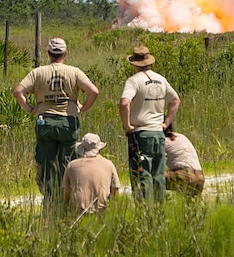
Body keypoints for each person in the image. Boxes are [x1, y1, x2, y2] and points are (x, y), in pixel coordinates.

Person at [13, 36, 100, 210]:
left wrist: (30, 109)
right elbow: (93, 91)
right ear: (65, 53)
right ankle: (67, 201)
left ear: (49, 53)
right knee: (67, 162)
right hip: (68, 121)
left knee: (46, 163)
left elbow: (18, 91)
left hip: (45, 120)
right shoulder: (74, 72)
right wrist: (82, 109)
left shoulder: (38, 72)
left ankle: (50, 200)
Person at [118, 45, 179, 202]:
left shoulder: (134, 81)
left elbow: (124, 103)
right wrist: (166, 123)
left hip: (140, 134)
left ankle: (144, 212)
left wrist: (127, 126)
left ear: (134, 63)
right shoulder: (161, 79)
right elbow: (175, 100)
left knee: (141, 175)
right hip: (158, 133)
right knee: (158, 175)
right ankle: (159, 211)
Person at [60, 132, 121, 218]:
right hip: (102, 211)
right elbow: (115, 191)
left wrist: (64, 211)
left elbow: (66, 193)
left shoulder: (71, 165)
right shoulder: (108, 164)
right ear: (99, 149)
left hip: (79, 212)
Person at [164, 122, 205, 197]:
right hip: (200, 177)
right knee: (190, 205)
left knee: (152, 178)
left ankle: (154, 203)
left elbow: (156, 165)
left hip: (184, 176)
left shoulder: (163, 141)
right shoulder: (182, 136)